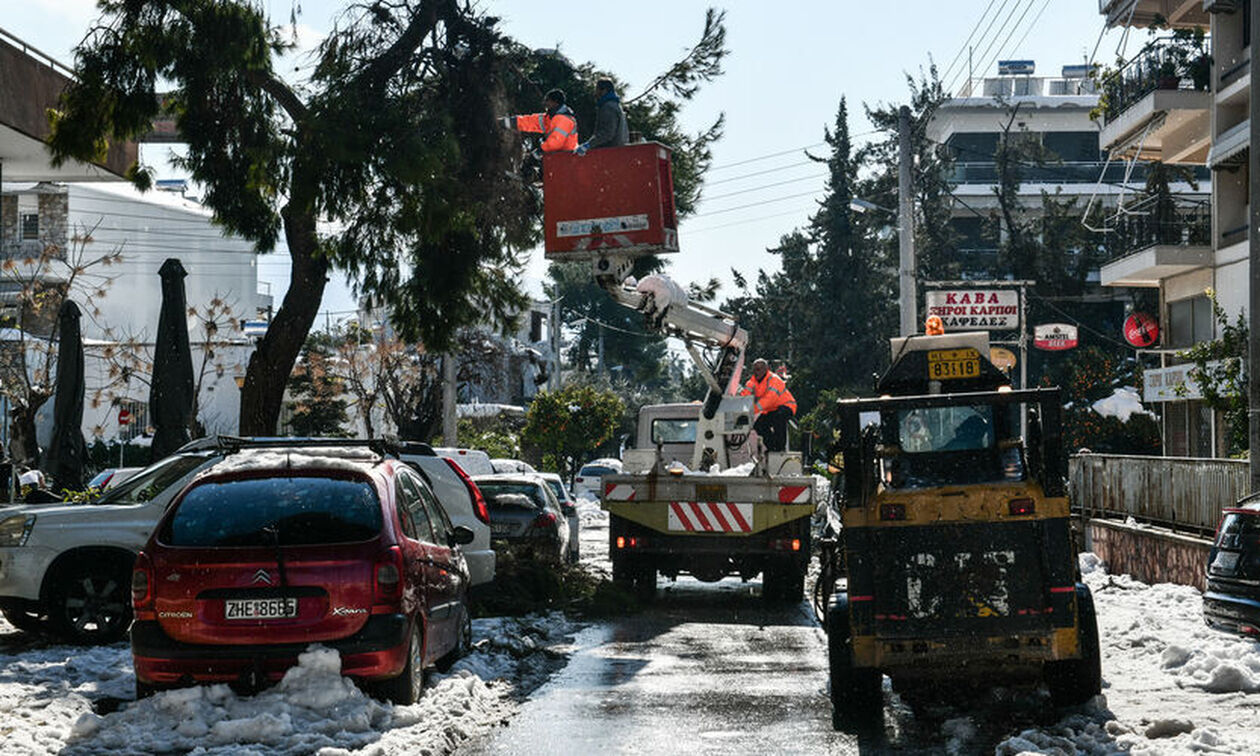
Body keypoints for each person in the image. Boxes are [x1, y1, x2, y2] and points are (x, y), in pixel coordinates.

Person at [740, 358, 797, 452]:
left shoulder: (774, 379)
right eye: (754, 369)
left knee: (779, 418)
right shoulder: (752, 382)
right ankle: (772, 448)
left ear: (765, 369)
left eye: (758, 369)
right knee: (759, 425)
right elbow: (744, 395)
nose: (755, 372)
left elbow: (769, 400)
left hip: (787, 406)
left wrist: (750, 412)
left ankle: (780, 448)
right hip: (772, 410)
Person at [502, 89, 579, 153]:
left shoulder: (564, 120)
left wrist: (540, 151)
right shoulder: (549, 118)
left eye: (547, 100)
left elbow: (556, 142)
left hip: (567, 158)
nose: (544, 103)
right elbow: (529, 122)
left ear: (555, 102)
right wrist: (506, 122)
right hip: (556, 157)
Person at [576, 79, 629, 155]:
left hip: (609, 153)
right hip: (618, 151)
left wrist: (588, 145)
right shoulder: (616, 106)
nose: (595, 93)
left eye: (597, 90)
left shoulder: (608, 107)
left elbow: (607, 133)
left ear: (604, 90)